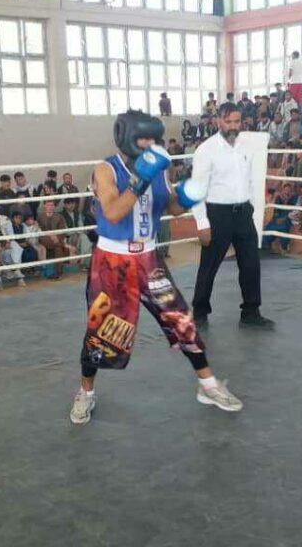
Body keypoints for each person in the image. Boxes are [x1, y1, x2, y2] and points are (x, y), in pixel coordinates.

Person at [70, 110, 242, 425]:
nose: (150, 144)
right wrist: (141, 179)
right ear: (126, 137)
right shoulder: (105, 169)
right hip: (112, 262)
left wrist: (189, 195)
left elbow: (171, 207)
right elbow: (112, 213)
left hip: (149, 259)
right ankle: (86, 393)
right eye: (143, 138)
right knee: (101, 332)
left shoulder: (158, 168)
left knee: (181, 320)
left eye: (153, 138)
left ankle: (208, 385)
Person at [190, 103, 275, 330]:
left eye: (237, 122)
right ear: (218, 121)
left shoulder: (246, 147)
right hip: (218, 213)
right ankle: (199, 310)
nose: (233, 127)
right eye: (228, 122)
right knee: (209, 265)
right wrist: (201, 222)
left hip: (243, 211)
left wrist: (259, 206)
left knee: (251, 263)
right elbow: (196, 189)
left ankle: (251, 311)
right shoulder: (205, 150)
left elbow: (252, 181)